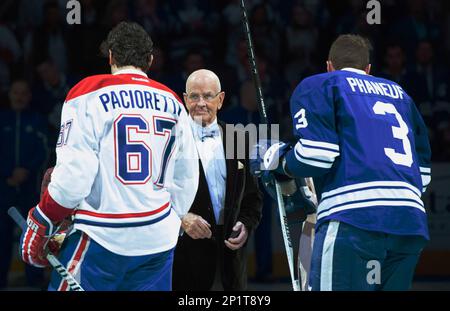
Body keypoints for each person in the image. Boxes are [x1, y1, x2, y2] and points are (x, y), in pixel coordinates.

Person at [18, 22, 199, 291]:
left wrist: (44, 217)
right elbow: (186, 177)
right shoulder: (173, 101)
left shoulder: (87, 93)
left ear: (111, 56)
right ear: (149, 60)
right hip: (158, 239)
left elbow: (74, 178)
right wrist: (173, 221)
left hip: (101, 237)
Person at [254, 34, 431, 291]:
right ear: (368, 69)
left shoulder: (321, 84)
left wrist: (279, 160)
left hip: (353, 220)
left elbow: (315, 156)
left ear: (329, 66)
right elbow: (422, 176)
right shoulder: (401, 95)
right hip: (409, 223)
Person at [172, 69, 263, 291]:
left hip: (232, 264)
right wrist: (182, 219)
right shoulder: (172, 141)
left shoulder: (239, 138)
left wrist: (246, 223)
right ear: (185, 100)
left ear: (220, 99)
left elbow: (253, 197)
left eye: (208, 96)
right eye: (194, 96)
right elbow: (156, 194)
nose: (201, 103)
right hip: (186, 262)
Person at [0, 80, 48, 289]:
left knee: (33, 235)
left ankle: (34, 282)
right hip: (4, 189)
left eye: (23, 93)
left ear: (29, 96)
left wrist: (26, 171)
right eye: (15, 92)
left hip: (29, 189)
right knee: (1, 237)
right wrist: (7, 173)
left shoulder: (37, 120)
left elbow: (46, 150)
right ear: (9, 94)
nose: (19, 97)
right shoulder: (2, 119)